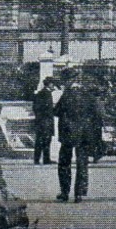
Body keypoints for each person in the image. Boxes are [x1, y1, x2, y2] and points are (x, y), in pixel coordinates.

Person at [54, 69, 100, 202]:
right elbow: (96, 114)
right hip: (84, 134)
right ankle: (79, 193)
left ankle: (64, 192)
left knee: (64, 163)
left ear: (69, 81)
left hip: (68, 134)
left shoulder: (66, 95)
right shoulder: (88, 95)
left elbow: (56, 111)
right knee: (82, 163)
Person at [32, 76, 56, 164]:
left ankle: (38, 159)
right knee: (45, 140)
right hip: (45, 121)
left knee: (41, 140)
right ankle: (45, 159)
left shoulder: (41, 93)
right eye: (53, 83)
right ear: (49, 84)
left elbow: (36, 107)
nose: (54, 85)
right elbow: (46, 108)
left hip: (41, 121)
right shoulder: (46, 94)